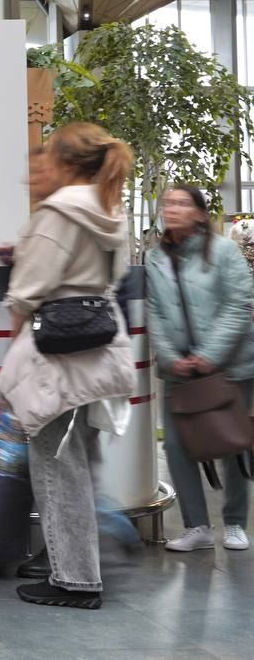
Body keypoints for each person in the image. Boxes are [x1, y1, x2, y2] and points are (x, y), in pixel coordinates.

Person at [0, 122, 136, 609]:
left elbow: (27, 290)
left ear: (65, 162)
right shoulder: (109, 210)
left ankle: (74, 579)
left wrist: (14, 343)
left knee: (56, 468)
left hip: (56, 348)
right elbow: (114, 277)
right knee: (78, 465)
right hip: (99, 343)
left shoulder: (58, 212)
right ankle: (79, 571)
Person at [146, 185, 254, 554]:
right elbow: (154, 312)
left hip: (229, 366)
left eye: (181, 203)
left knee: (231, 443)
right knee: (177, 446)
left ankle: (236, 522)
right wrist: (169, 355)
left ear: (200, 213)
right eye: (168, 203)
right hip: (178, 369)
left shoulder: (223, 250)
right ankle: (197, 527)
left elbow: (239, 304)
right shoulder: (155, 258)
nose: (172, 209)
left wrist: (210, 354)